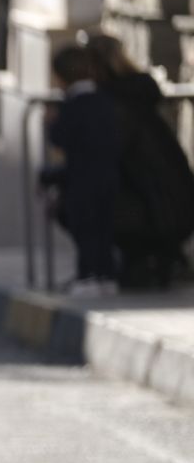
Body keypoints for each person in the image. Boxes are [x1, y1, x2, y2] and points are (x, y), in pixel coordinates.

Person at [86, 34, 194, 288]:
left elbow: (107, 161)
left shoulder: (113, 106)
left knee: (86, 200)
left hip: (161, 210)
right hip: (173, 204)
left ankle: (144, 261)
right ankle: (157, 259)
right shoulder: (135, 95)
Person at [40, 44, 122, 295]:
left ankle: (88, 276)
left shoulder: (74, 104)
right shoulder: (104, 100)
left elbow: (60, 137)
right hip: (108, 176)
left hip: (82, 178)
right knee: (103, 229)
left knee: (84, 228)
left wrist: (50, 123)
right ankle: (106, 275)